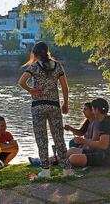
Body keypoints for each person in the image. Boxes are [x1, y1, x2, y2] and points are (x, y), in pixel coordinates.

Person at [18, 41, 72, 177]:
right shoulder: (58, 66)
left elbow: (21, 81)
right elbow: (65, 87)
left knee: (41, 138)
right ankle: (66, 170)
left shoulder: (34, 66)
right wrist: (65, 103)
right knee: (59, 137)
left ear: (35, 54)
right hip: (54, 105)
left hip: (38, 106)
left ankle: (45, 171)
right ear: (48, 52)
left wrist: (31, 90)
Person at [69, 98, 110, 167]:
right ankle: (54, 160)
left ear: (97, 110)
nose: (93, 112)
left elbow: (103, 145)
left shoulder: (106, 123)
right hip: (101, 152)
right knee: (71, 150)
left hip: (109, 157)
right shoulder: (103, 121)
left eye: (93, 109)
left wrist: (83, 141)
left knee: (73, 158)